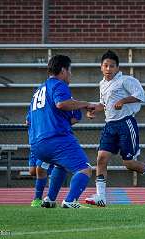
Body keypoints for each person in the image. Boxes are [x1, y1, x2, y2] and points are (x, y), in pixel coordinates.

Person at [85, 50, 145, 207]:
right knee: (101, 159)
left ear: (117, 68)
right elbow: (104, 104)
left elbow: (141, 95)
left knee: (128, 163)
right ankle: (101, 196)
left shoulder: (125, 80)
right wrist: (94, 109)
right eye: (106, 66)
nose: (108, 69)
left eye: (112, 66)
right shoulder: (102, 84)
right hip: (110, 125)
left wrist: (124, 100)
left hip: (125, 124)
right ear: (101, 67)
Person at [28, 54, 94, 209]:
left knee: (61, 165)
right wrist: (86, 104)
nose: (71, 74)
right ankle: (71, 200)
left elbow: (28, 120)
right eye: (70, 70)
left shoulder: (38, 91)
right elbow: (62, 104)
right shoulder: (59, 85)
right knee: (85, 169)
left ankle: (49, 199)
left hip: (36, 145)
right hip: (55, 139)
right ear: (63, 70)